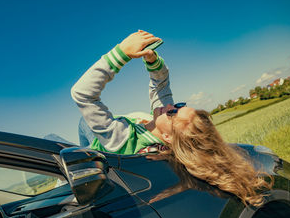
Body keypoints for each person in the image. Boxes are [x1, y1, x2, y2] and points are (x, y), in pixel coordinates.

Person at [71, 30, 273, 207]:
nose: (169, 106)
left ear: (168, 138)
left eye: (172, 113)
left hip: (98, 152)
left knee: (69, 136)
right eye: (178, 107)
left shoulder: (124, 139)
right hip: (116, 136)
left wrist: (121, 53)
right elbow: (161, 85)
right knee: (90, 122)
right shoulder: (164, 129)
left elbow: (82, 94)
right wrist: (152, 61)